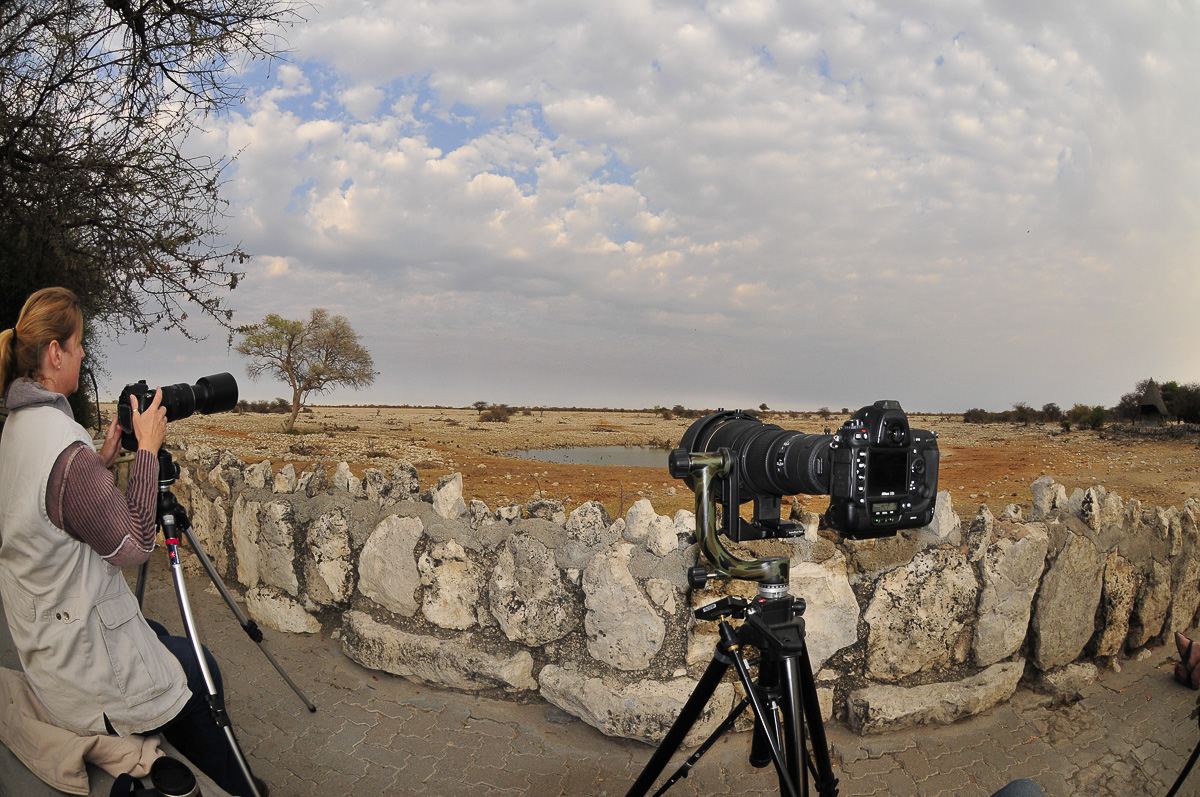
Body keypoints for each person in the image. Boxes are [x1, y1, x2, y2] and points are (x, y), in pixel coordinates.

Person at [0, 287, 261, 796]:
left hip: (45, 636)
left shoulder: (18, 427)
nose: (82, 356)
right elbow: (135, 545)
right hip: (77, 669)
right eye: (77, 348)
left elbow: (54, 510)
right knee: (198, 665)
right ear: (54, 353)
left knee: (156, 628)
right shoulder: (61, 444)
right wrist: (146, 450)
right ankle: (240, 785)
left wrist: (103, 457)